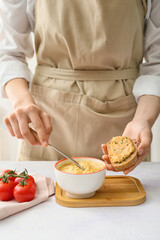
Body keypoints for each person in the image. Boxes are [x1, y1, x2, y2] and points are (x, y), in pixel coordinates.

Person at [0, 0, 159, 175]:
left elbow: (157, 63)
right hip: (45, 123)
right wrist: (22, 102)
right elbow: (9, 53)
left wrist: (142, 120)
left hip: (125, 125)